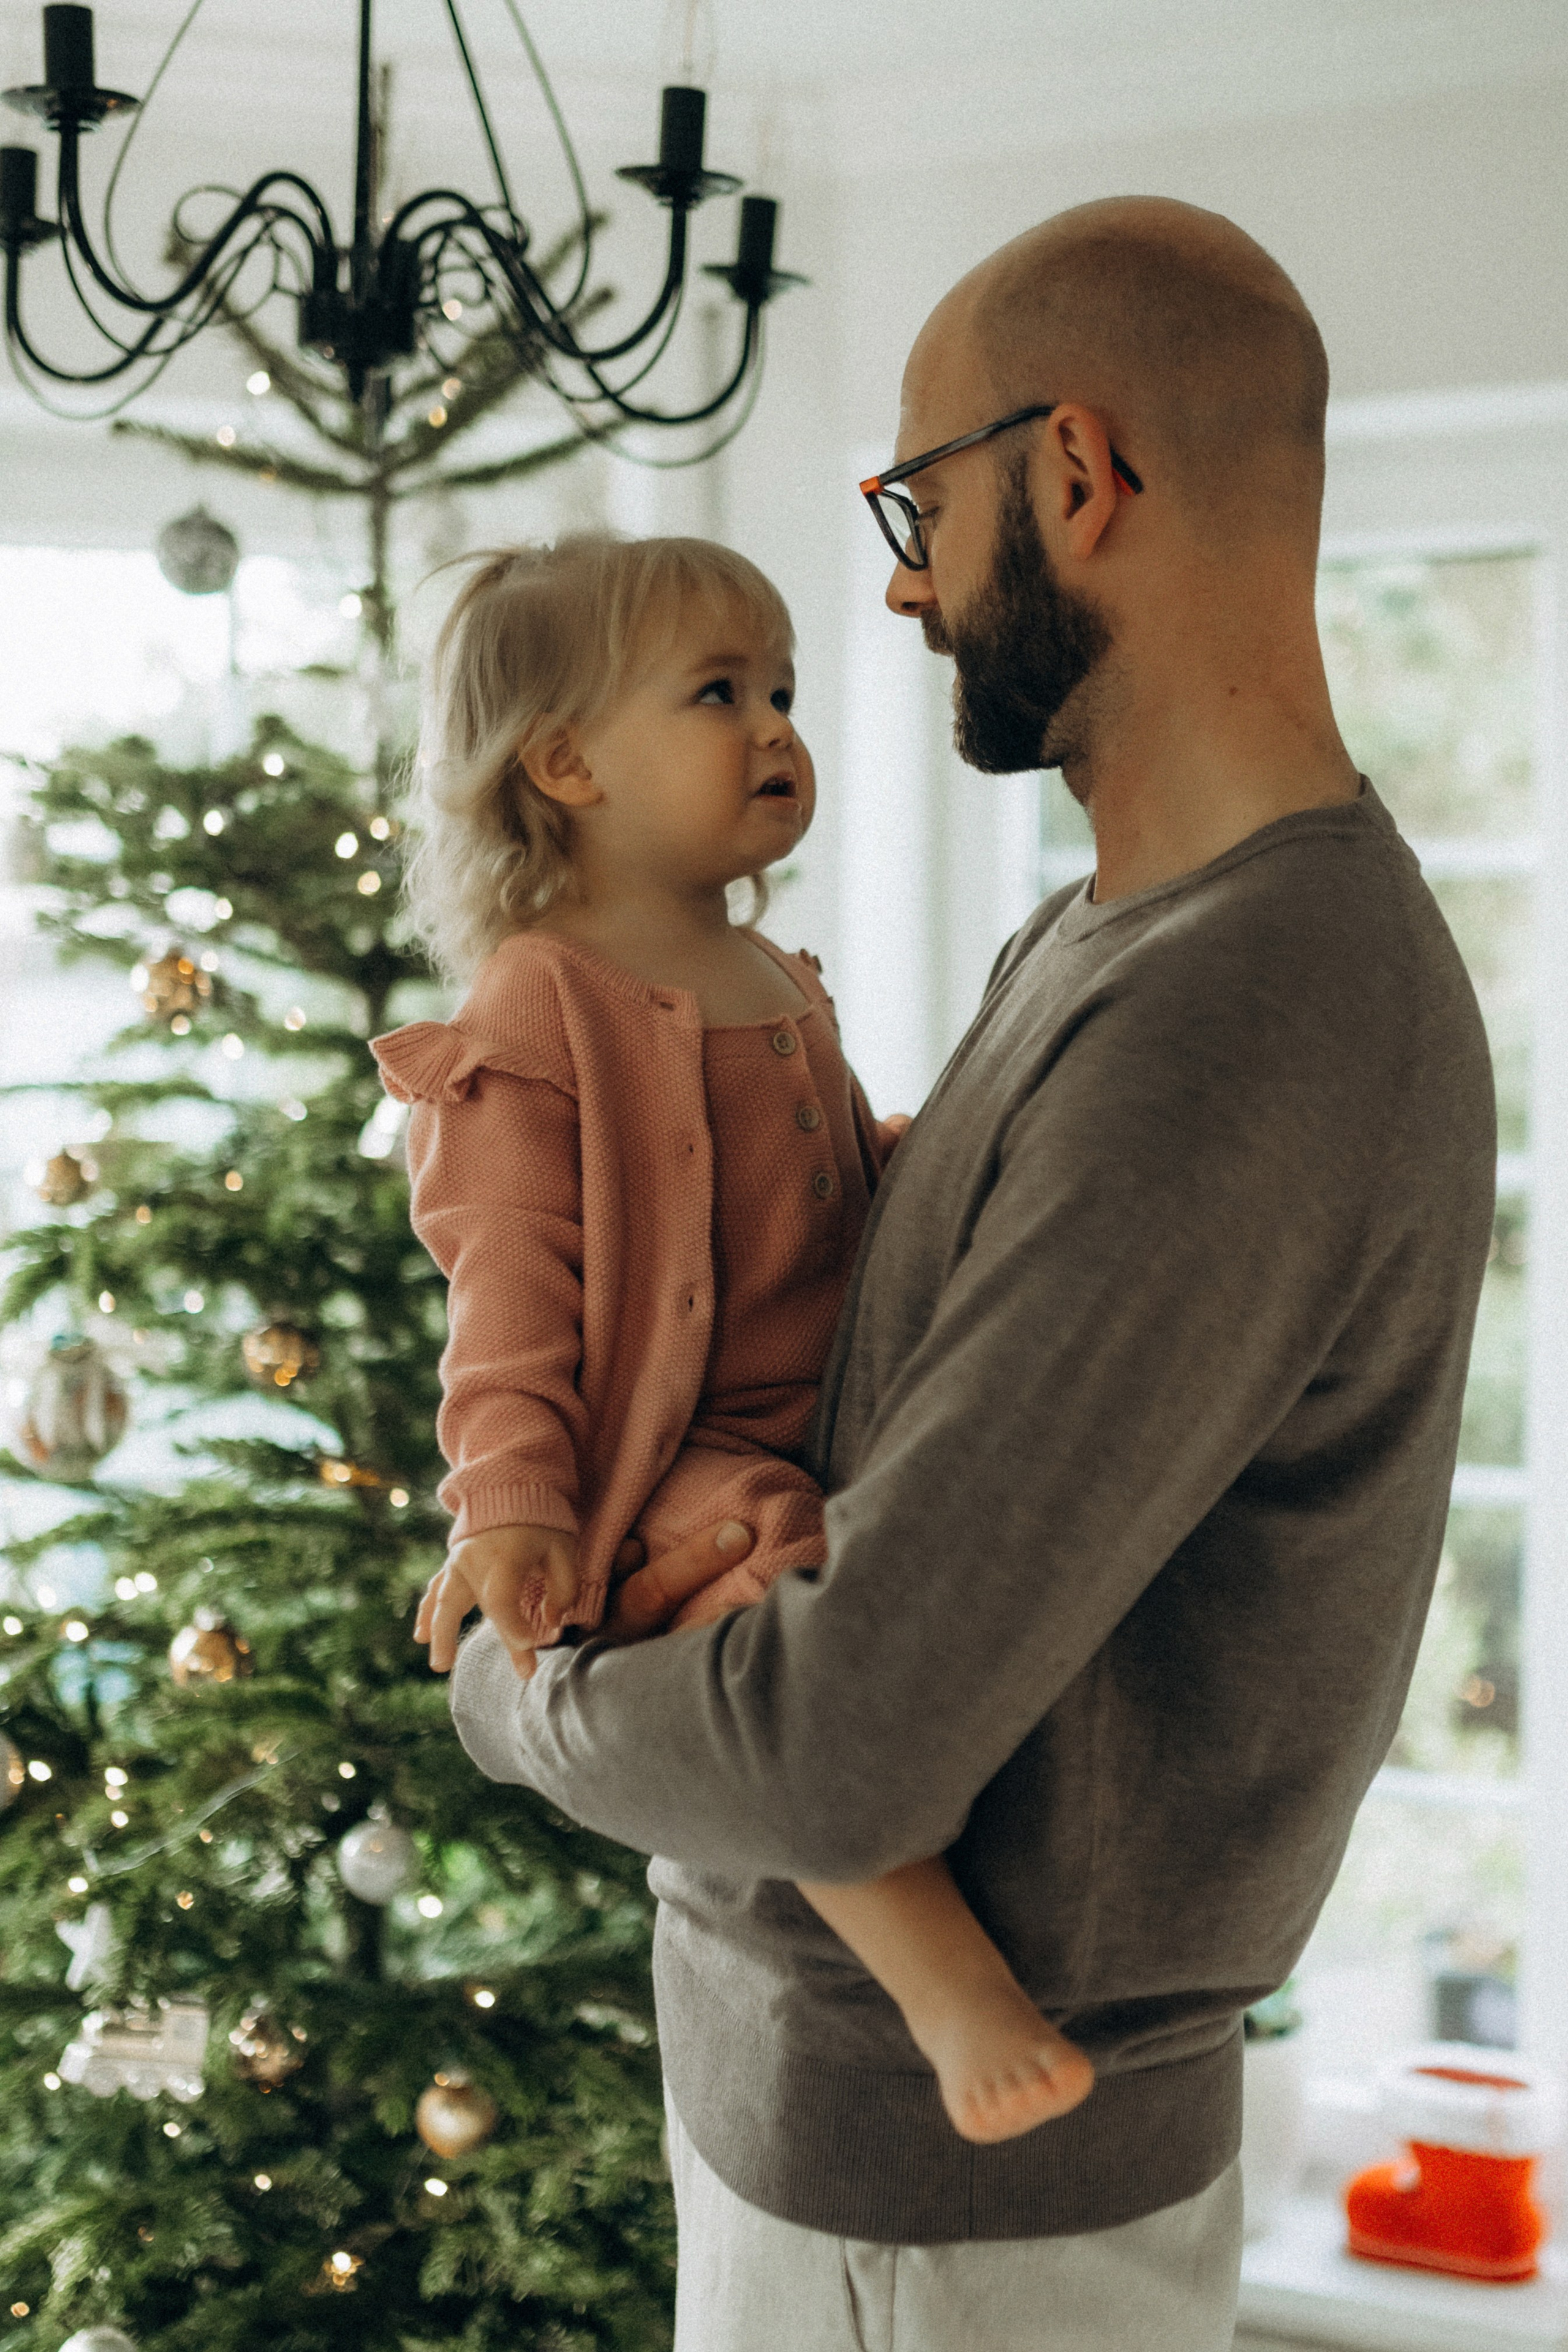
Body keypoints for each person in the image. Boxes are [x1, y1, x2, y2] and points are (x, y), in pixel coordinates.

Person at [439, 197, 1496, 2352]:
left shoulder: (1242, 1004)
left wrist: (499, 1689)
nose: (908, 584)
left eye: (921, 505)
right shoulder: (1098, 936)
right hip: (856, 2149)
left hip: (953, 2217)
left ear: (1077, 474)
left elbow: (838, 1754)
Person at [374, 532, 1096, 2149]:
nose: (776, 727)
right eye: (718, 694)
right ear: (566, 766)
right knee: (778, 1573)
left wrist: (958, 1160)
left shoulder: (770, 970)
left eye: (781, 691)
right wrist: (513, 1504)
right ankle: (940, 1978)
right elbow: (506, 1283)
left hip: (836, 1403)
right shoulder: (539, 1002)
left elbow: (830, 1190)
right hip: (677, 1454)